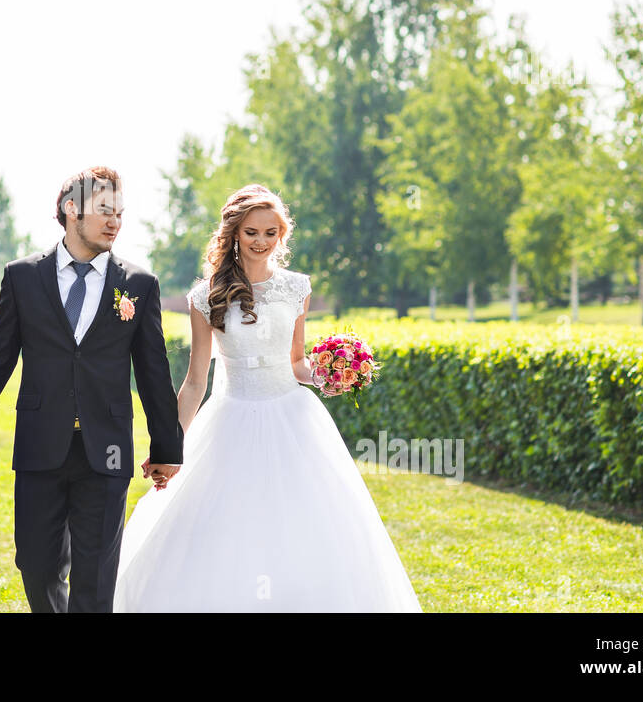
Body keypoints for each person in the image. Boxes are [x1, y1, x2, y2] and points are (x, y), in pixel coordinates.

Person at [113, 184, 423, 612]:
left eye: (270, 233)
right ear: (234, 234)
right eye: (251, 233)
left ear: (282, 236)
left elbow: (296, 362)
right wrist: (170, 443)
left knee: (304, 524)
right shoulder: (205, 297)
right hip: (229, 420)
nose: (261, 242)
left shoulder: (297, 288)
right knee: (220, 524)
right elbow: (196, 380)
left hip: (292, 417)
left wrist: (332, 374)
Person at [0, 166, 184, 612]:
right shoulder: (23, 277)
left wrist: (166, 446)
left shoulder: (139, 284)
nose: (114, 222)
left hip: (106, 451)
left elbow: (152, 372)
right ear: (71, 209)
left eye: (120, 213)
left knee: (95, 575)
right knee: (37, 565)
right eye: (104, 210)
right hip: (39, 446)